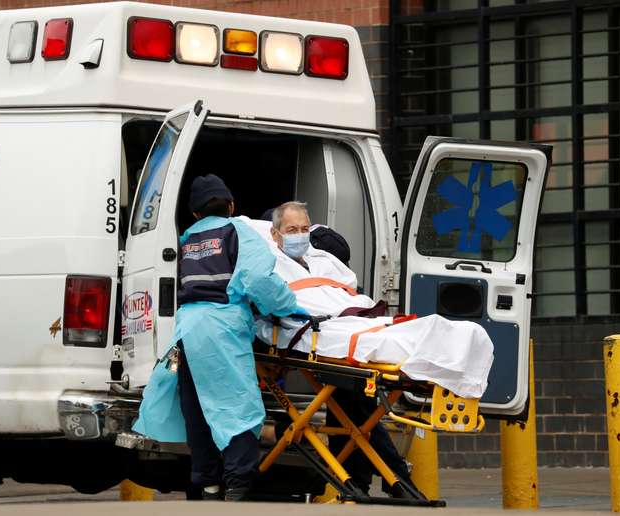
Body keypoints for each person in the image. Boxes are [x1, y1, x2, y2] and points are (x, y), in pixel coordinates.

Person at [133, 175, 302, 501]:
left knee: (195, 407)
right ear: (232, 206)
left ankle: (207, 483)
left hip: (185, 332)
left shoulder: (184, 240)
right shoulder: (237, 232)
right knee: (236, 406)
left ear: (195, 213)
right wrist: (289, 306)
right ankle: (238, 485)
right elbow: (258, 279)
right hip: (221, 329)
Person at [268, 201, 417, 498]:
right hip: (320, 330)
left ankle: (365, 481)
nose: (299, 235)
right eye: (291, 230)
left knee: (352, 395)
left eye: (303, 229)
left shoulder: (323, 259)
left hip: (349, 324)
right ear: (274, 234)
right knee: (354, 397)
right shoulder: (268, 263)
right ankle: (392, 477)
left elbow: (351, 290)